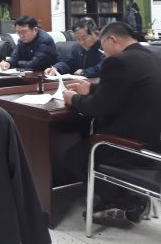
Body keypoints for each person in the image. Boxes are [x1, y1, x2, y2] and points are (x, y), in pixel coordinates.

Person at [62, 22, 161, 228]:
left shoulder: (118, 61)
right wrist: (91, 88)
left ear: (112, 39)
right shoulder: (152, 56)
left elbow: (98, 107)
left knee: (74, 157)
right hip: (153, 140)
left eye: (103, 46)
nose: (103, 52)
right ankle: (119, 198)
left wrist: (73, 99)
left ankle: (126, 201)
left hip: (128, 144)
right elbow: (126, 88)